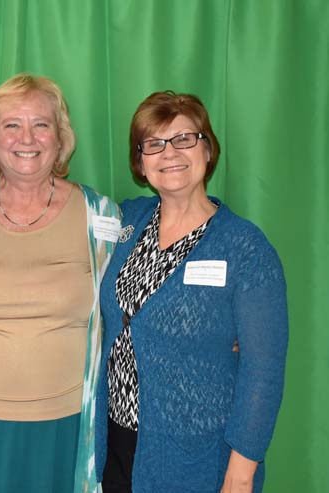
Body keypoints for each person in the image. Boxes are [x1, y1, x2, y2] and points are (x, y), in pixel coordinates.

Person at [94, 91, 288, 493]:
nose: (170, 153)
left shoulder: (244, 247)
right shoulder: (125, 220)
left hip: (199, 458)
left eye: (184, 138)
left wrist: (243, 468)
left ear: (207, 148)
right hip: (117, 444)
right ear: (140, 161)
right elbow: (53, 202)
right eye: (154, 143)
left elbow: (263, 369)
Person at [0, 74, 120, 493]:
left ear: (60, 139)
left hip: (68, 427)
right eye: (11, 125)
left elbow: (132, 293)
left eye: (41, 124)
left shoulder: (100, 216)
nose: (27, 138)